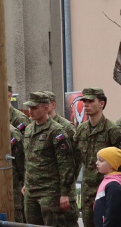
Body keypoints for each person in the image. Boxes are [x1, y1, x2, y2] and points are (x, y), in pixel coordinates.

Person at [21, 92, 75, 226]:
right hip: (31, 190)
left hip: (50, 191)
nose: (30, 111)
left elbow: (65, 164)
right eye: (29, 107)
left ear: (46, 108)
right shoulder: (28, 129)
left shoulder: (56, 131)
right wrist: (26, 183)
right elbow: (29, 159)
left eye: (34, 108)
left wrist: (65, 193)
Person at [75, 87, 121, 227]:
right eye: (84, 101)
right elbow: (76, 159)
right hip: (87, 192)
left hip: (108, 190)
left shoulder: (112, 130)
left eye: (90, 101)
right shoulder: (81, 130)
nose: (86, 105)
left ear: (101, 103)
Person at [41, 90, 82, 227]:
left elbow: (75, 159)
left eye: (44, 103)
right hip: (43, 188)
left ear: (52, 105)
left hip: (63, 187)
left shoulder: (66, 128)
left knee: (67, 221)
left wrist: (68, 184)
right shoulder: (35, 127)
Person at [94, 147, 121, 227]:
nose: (96, 163)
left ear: (112, 164)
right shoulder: (108, 180)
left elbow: (112, 213)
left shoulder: (113, 185)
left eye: (101, 160)